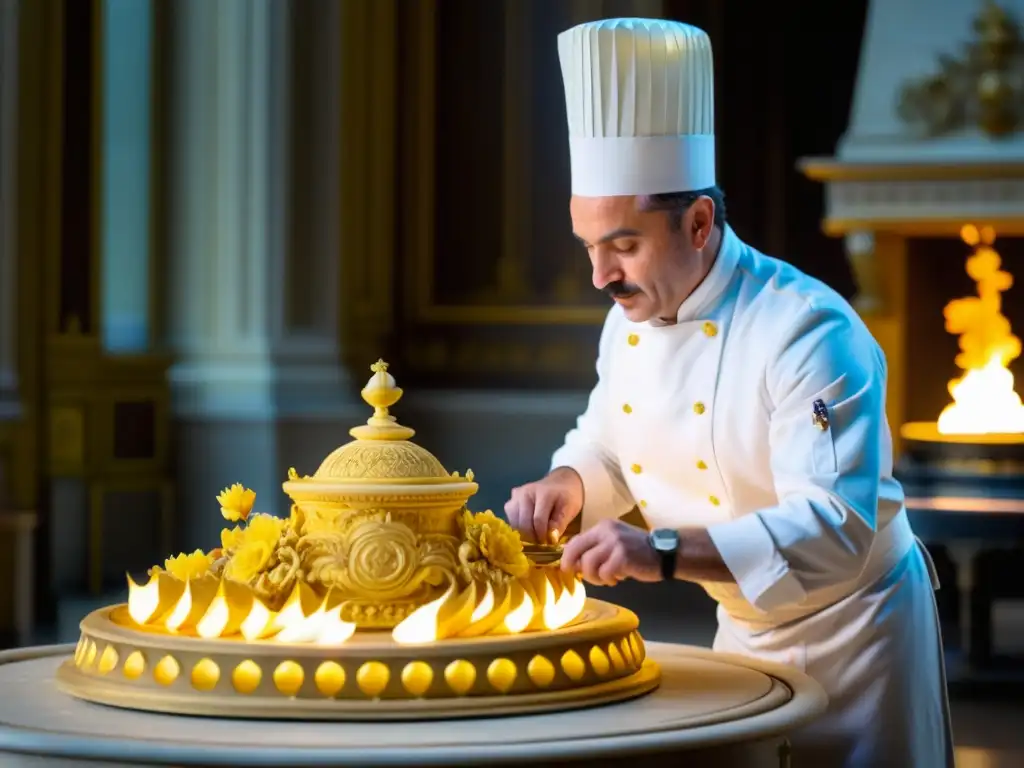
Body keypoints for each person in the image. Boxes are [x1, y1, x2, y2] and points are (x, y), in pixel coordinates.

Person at [504, 18, 954, 768]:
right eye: (590, 247)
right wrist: (568, 483)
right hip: (743, 629)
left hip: (859, 634)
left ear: (701, 222)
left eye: (623, 245)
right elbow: (610, 442)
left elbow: (834, 523)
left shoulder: (807, 328)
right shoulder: (629, 322)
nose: (600, 277)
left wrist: (661, 552)